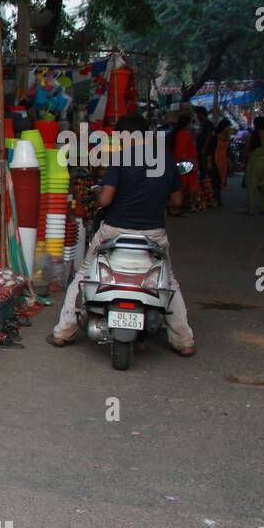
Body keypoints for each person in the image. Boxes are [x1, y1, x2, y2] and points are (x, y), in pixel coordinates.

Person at [48, 114, 196, 356]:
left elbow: (106, 199)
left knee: (84, 274)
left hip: (114, 231)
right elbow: (177, 201)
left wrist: (97, 195)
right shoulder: (166, 161)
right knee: (169, 281)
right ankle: (184, 341)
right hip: (153, 234)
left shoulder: (121, 159)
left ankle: (63, 333)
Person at [212, 118, 233, 202]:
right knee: (216, 179)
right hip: (216, 159)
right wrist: (209, 161)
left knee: (222, 178)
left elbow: (227, 151)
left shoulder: (227, 138)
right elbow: (211, 150)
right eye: (228, 127)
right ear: (223, 127)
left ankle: (217, 197)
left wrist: (229, 162)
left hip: (223, 161)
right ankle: (216, 198)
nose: (229, 129)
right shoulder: (215, 137)